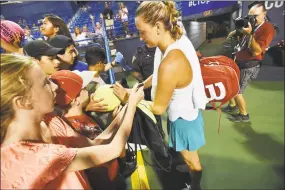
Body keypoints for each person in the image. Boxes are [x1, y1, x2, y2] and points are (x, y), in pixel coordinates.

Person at [1, 53, 144, 188]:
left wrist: (122, 114)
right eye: (45, 83)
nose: (55, 87)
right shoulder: (29, 158)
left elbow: (95, 143)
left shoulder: (53, 120)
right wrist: (131, 106)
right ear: (23, 102)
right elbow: (113, 149)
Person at [114, 2, 208, 189]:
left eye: (142, 31)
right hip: (184, 113)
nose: (140, 38)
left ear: (157, 26)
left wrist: (128, 98)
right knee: (186, 155)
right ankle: (190, 172)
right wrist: (138, 87)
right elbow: (157, 75)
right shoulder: (173, 42)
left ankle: (195, 185)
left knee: (193, 161)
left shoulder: (170, 63)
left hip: (184, 120)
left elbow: (157, 108)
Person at [223, 1, 275, 122]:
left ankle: (244, 115)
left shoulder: (267, 28)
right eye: (250, 16)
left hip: (249, 65)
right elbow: (240, 38)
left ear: (264, 14)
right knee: (230, 83)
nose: (252, 19)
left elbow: (256, 51)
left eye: (255, 16)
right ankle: (232, 106)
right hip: (239, 60)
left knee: (237, 90)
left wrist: (249, 34)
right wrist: (236, 33)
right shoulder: (251, 25)